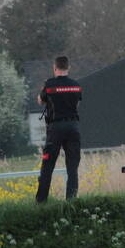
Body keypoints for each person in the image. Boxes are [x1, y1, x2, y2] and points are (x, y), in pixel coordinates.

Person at [35, 55, 82, 203]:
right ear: (68, 68)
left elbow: (40, 101)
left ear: (54, 68)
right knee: (72, 168)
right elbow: (76, 105)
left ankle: (41, 202)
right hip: (73, 127)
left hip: (55, 128)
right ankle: (71, 202)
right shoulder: (76, 85)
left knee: (47, 166)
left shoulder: (49, 85)